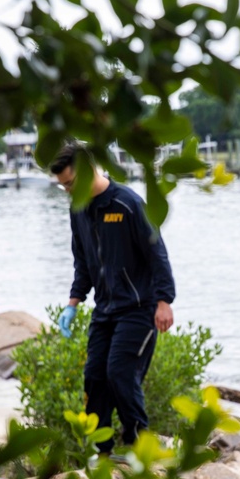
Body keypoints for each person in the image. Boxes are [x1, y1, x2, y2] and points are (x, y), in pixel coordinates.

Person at [50, 142, 176, 454]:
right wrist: (72, 303)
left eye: (69, 183)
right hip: (104, 311)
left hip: (139, 309)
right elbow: (83, 262)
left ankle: (138, 448)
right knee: (94, 377)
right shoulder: (78, 209)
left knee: (120, 373)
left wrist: (164, 301)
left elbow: (157, 254)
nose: (67, 191)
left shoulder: (128, 203)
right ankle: (101, 452)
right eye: (62, 186)